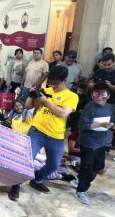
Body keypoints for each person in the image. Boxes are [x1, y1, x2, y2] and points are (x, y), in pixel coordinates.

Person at [11, 66, 78, 199]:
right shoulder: (45, 91)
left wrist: (45, 101)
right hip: (37, 130)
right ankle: (16, 185)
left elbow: (63, 113)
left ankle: (37, 180)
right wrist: (32, 95)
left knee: (53, 165)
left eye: (56, 83)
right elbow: (28, 106)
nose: (52, 86)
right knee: (26, 159)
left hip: (56, 135)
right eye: (50, 82)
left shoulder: (72, 96)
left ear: (65, 80)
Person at [75, 82, 115, 205]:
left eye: (102, 94)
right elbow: (82, 125)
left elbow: (111, 123)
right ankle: (80, 190)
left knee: (98, 167)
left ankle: (80, 180)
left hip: (102, 142)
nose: (99, 97)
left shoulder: (110, 108)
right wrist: (100, 125)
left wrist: (113, 126)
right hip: (88, 143)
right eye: (96, 94)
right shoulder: (89, 108)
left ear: (108, 96)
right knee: (87, 168)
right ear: (92, 95)